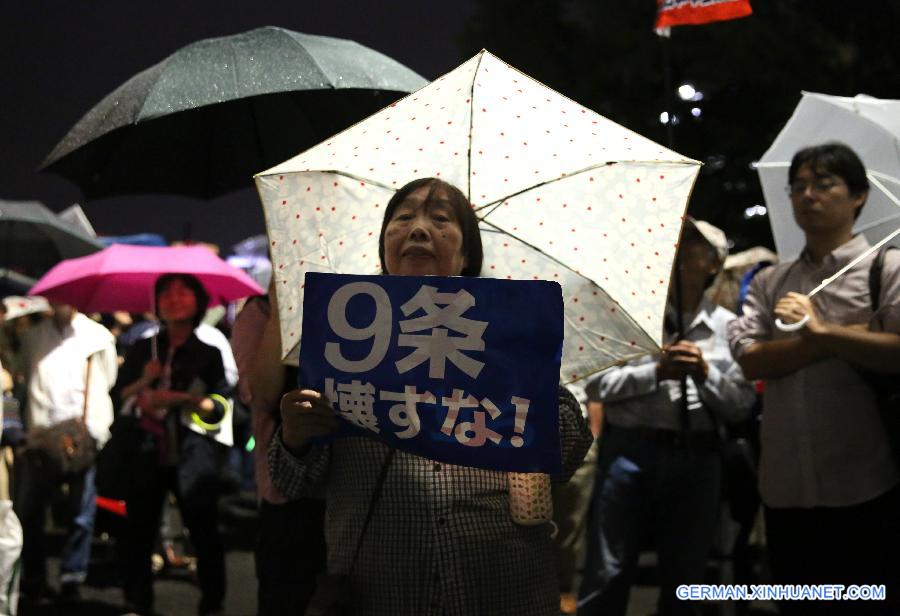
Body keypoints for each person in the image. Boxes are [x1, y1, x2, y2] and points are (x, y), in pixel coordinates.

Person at [268, 177, 593, 616]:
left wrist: (523, 373)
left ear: (466, 254)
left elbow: (568, 454)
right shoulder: (344, 338)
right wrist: (294, 436)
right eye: (403, 218)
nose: (419, 229)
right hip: (379, 587)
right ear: (384, 247)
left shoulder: (512, 331)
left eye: (440, 220)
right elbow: (292, 482)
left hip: (504, 586)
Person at [727, 143, 900, 615]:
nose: (808, 195)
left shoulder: (886, 269)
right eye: (798, 186)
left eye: (824, 185)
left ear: (859, 196)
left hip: (865, 480)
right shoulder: (771, 282)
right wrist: (833, 340)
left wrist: (821, 329)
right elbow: (750, 360)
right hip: (784, 487)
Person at [578, 219, 756, 616]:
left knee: (687, 575)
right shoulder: (632, 317)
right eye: (676, 239)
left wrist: (706, 374)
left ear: (714, 263)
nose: (678, 247)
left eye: (693, 243)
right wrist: (656, 372)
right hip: (629, 449)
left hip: (699, 455)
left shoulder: (729, 327)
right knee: (607, 569)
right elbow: (596, 387)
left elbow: (742, 404)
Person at [112, 274, 231, 616]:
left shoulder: (208, 351)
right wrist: (145, 382)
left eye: (183, 292)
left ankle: (212, 604)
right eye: (166, 293)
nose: (174, 299)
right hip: (145, 452)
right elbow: (118, 394)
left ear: (198, 301)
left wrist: (179, 399)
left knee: (204, 531)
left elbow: (223, 405)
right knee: (139, 532)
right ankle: (137, 601)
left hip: (193, 453)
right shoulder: (143, 348)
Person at [231, 289, 326, 615]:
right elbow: (261, 394)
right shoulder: (259, 311)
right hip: (288, 493)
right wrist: (279, 297)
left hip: (355, 494)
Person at [15, 303, 117, 602]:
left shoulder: (97, 336)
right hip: (41, 435)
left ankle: (72, 575)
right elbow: (23, 373)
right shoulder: (34, 336)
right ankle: (34, 578)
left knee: (80, 511)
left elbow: (106, 380)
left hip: (83, 434)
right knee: (31, 512)